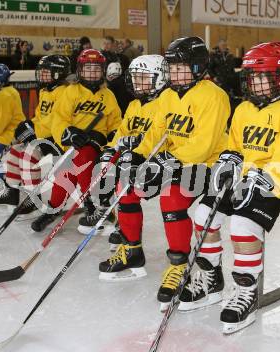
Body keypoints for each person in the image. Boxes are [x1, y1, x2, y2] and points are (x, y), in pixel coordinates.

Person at [178, 42, 280, 334]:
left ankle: (246, 291)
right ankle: (211, 279)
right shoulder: (243, 109)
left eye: (264, 76)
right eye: (252, 76)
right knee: (203, 214)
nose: (256, 83)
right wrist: (229, 161)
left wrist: (265, 179)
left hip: (273, 181)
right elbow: (234, 146)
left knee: (241, 222)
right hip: (241, 177)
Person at [98, 37, 231, 312]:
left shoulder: (214, 96)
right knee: (127, 185)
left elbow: (203, 144)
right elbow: (155, 134)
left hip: (206, 166)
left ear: (198, 67)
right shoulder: (169, 95)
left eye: (181, 67)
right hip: (171, 162)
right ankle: (132, 250)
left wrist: (165, 162)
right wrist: (137, 156)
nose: (174, 72)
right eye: (171, 67)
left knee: (171, 197)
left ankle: (179, 264)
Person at [30, 49, 122, 232]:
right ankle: (54, 208)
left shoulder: (108, 96)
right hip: (75, 142)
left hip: (96, 143)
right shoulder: (71, 91)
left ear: (103, 71)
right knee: (64, 173)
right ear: (80, 70)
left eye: (96, 69)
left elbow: (115, 124)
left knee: (84, 159)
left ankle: (92, 204)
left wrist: (112, 138)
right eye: (88, 69)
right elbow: (59, 118)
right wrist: (68, 133)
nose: (92, 73)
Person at [82, 54, 168, 244]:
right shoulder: (134, 104)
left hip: (153, 158)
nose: (137, 83)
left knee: (125, 172)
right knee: (103, 164)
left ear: (159, 78)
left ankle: (125, 227)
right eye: (136, 78)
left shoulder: (165, 104)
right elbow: (121, 132)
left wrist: (136, 142)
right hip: (131, 152)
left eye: (143, 78)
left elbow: (159, 137)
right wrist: (111, 149)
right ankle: (105, 209)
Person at [0, 55, 70, 217]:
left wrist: (34, 131)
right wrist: (28, 125)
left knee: (28, 156)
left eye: (45, 72)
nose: (41, 75)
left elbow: (57, 119)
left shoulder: (65, 92)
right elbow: (40, 117)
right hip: (44, 137)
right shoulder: (45, 91)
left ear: (58, 73)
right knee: (15, 152)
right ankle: (12, 193)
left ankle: (33, 199)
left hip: (58, 140)